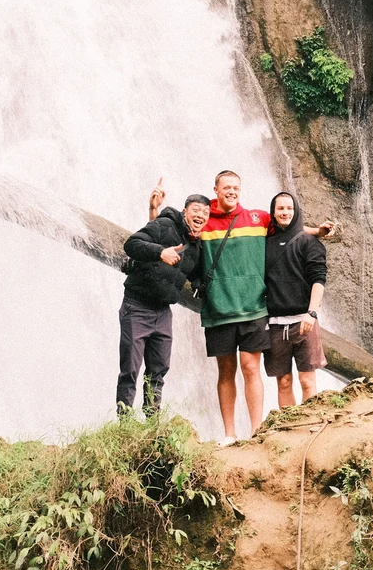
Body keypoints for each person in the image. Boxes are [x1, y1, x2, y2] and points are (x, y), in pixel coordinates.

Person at [148, 172, 333, 444]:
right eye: (226, 188)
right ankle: (229, 434)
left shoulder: (257, 219)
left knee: (250, 368)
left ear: (240, 190)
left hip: (254, 308)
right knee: (226, 372)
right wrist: (153, 210)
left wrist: (317, 232)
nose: (231, 192)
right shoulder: (203, 220)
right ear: (216, 190)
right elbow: (165, 237)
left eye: (236, 187)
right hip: (218, 309)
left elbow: (290, 225)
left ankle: (257, 431)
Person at [116, 193, 210, 417]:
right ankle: (125, 422)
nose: (201, 215)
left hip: (162, 312)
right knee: (130, 369)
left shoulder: (196, 246)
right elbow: (132, 244)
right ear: (185, 211)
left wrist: (201, 284)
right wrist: (160, 253)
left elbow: (197, 274)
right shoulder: (165, 225)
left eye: (205, 213)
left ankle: (152, 421)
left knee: (158, 370)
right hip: (136, 306)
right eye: (196, 210)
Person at [264, 192, 328, 408]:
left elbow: (319, 280)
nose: (285, 212)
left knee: (307, 381)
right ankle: (288, 429)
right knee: (283, 382)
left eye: (289, 208)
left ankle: (309, 428)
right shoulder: (265, 243)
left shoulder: (309, 243)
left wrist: (312, 313)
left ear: (296, 210)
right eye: (280, 208)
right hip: (275, 325)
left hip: (304, 321)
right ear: (273, 212)